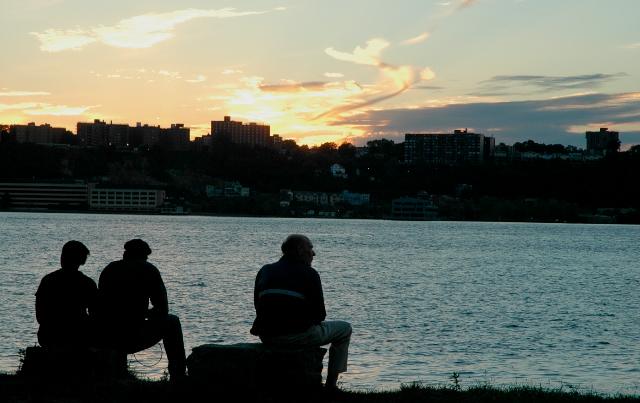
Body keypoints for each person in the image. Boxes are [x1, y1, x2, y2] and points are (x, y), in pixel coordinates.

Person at [250, 234, 352, 391]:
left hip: (267, 336)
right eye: (310, 248)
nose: (314, 253)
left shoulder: (265, 270)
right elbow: (320, 315)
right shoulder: (310, 273)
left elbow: (258, 305)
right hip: (296, 336)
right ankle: (331, 386)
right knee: (344, 329)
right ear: (299, 250)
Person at [96, 239, 186, 380]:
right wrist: (144, 314)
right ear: (143, 256)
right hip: (133, 334)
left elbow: (100, 306)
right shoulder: (148, 270)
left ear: (126, 253)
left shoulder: (110, 269)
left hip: (106, 334)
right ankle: (178, 376)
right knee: (172, 322)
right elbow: (163, 309)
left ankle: (118, 374)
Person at [35, 240, 97, 349]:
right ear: (82, 260)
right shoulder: (87, 283)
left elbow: (40, 315)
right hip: (78, 336)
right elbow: (95, 314)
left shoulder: (48, 280)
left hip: (48, 336)